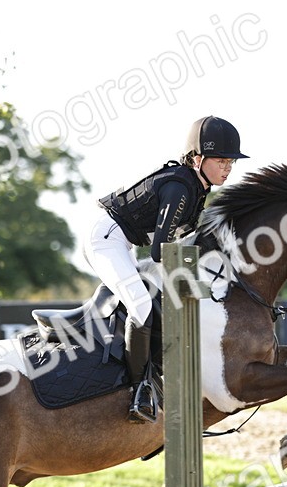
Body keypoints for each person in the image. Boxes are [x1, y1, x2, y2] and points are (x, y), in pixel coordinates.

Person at [87, 115, 248, 423]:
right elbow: (162, 251)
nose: (228, 168)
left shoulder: (198, 186)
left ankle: (148, 376)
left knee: (156, 305)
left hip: (125, 242)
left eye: (231, 162)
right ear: (198, 159)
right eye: (222, 161)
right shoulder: (180, 188)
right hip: (106, 239)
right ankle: (139, 392)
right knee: (144, 306)